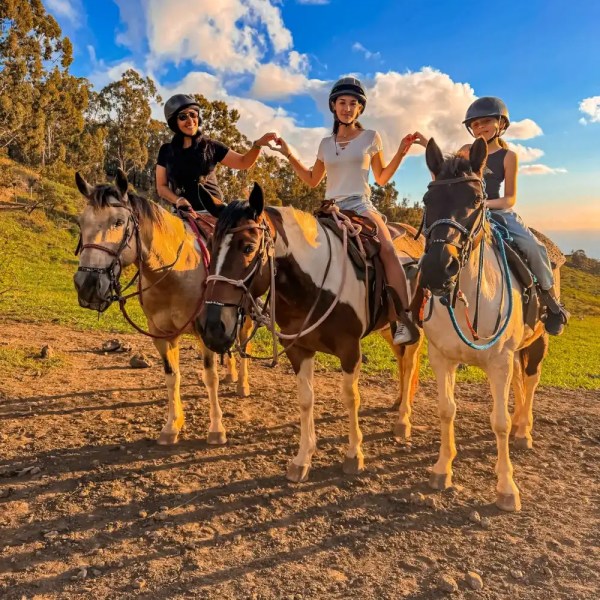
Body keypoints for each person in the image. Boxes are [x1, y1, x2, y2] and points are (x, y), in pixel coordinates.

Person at [271, 77, 426, 345]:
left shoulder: (370, 137)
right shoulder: (325, 144)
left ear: (359, 110)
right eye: (342, 103)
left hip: (360, 205)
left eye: (353, 104)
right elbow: (312, 179)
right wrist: (288, 153)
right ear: (333, 106)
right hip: (330, 207)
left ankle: (403, 318)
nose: (347, 108)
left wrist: (401, 151)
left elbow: (382, 177)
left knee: (387, 249)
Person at [459, 96, 569, 335]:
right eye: (475, 124)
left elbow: (509, 198)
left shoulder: (509, 157)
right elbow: (448, 170)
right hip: (469, 212)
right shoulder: (466, 152)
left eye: (486, 121)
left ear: (501, 124)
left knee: (533, 246)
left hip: (499, 212)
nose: (480, 127)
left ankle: (552, 302)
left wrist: (483, 204)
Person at [156, 94, 277, 212]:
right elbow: (161, 186)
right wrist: (178, 200)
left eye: (193, 114)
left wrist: (257, 145)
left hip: (214, 211)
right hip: (182, 212)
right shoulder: (166, 151)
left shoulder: (212, 146)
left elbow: (243, 162)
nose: (190, 120)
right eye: (183, 117)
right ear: (174, 122)